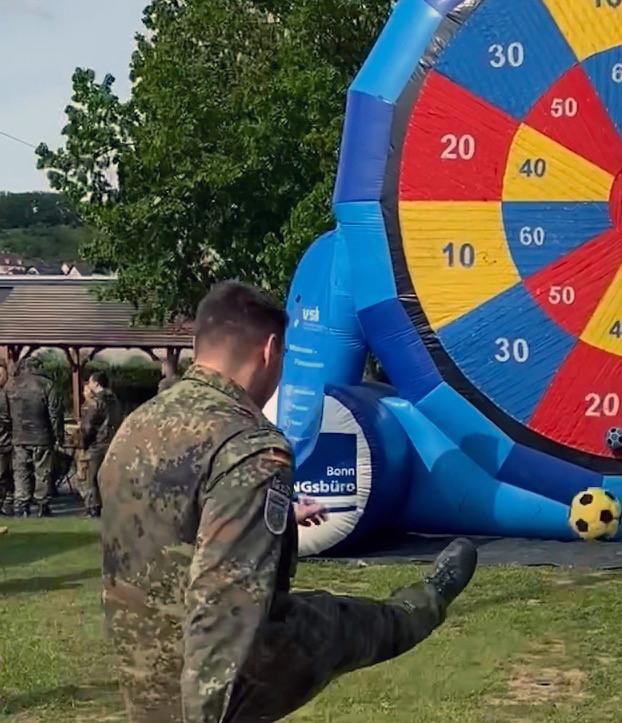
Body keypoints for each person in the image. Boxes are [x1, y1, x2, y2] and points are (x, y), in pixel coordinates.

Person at [99, 280, 477, 723]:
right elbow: (225, 607)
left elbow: (166, 524)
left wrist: (273, 518)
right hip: (219, 683)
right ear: (270, 350)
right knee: (342, 623)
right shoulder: (250, 446)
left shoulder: (136, 426)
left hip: (147, 672)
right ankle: (423, 603)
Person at [0, 352, 63, 517]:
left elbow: (4, 416)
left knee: (21, 472)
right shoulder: (47, 385)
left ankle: (22, 505)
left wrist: (13, 431)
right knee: (42, 472)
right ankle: (42, 505)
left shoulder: (10, 386)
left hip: (19, 437)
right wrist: (58, 436)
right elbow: (55, 414)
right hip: (42, 437)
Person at [80, 370, 122, 518]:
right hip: (113, 442)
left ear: (96, 383)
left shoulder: (96, 402)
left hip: (97, 443)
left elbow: (88, 426)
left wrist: (84, 444)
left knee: (91, 478)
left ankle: (92, 507)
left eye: (90, 382)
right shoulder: (115, 400)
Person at [0, 361, 12, 517]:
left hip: (4, 442)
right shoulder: (3, 395)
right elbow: (6, 419)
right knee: (2, 476)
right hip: (3, 442)